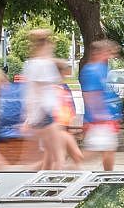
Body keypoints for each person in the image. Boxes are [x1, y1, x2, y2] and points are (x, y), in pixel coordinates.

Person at [21, 29, 64, 170]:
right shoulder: (43, 65)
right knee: (58, 155)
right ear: (45, 46)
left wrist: (29, 118)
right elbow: (38, 93)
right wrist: (31, 118)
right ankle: (56, 185)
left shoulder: (32, 63)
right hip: (45, 112)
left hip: (43, 113)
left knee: (49, 154)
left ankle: (42, 181)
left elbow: (31, 93)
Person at [80, 39, 122, 171]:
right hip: (100, 121)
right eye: (108, 53)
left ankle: (108, 177)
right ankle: (64, 168)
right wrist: (102, 117)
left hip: (105, 119)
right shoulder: (92, 70)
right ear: (98, 53)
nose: (110, 56)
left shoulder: (102, 68)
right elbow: (91, 96)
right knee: (91, 153)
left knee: (108, 150)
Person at [54, 60, 85, 167]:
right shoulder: (53, 88)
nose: (67, 72)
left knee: (76, 157)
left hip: (65, 127)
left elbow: (70, 106)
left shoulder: (64, 86)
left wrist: (73, 124)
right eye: (65, 69)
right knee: (61, 158)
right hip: (57, 127)